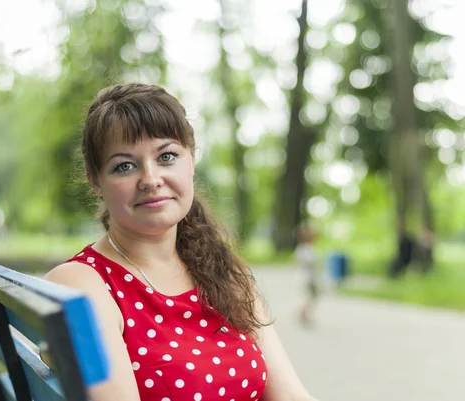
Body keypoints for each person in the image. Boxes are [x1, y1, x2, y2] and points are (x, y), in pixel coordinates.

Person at [44, 83, 318, 401]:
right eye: (124, 166)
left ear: (191, 161)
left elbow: (291, 395)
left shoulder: (223, 271)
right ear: (96, 183)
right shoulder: (83, 285)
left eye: (167, 156)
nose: (150, 179)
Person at [294, 224, 319, 327]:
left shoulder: (299, 249)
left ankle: (304, 313)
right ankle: (304, 313)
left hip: (301, 276)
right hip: (308, 277)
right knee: (310, 296)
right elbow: (312, 264)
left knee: (307, 296)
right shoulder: (308, 249)